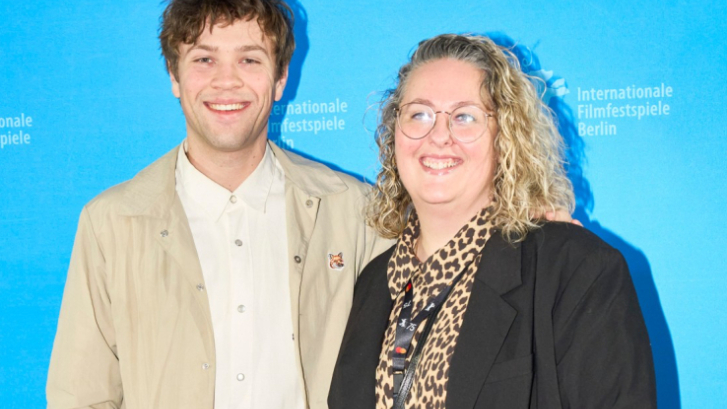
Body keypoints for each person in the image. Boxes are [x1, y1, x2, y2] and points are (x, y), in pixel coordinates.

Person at [46, 1, 392, 408]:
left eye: (249, 59)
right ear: (174, 74)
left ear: (280, 77)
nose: (226, 81)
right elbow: (80, 397)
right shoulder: (111, 224)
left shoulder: (355, 212)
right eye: (204, 59)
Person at [329, 34, 656, 409]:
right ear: (394, 135)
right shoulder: (374, 282)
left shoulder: (575, 269)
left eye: (465, 117)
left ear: (506, 138)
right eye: (419, 114)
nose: (439, 136)